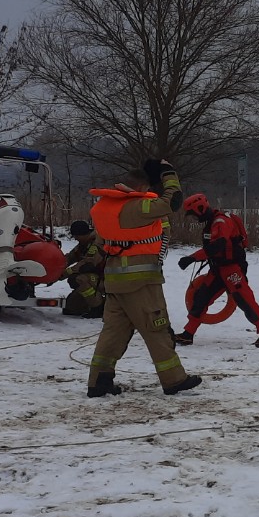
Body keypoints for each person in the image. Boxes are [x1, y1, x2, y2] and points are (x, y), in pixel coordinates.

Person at [85, 159, 201, 398]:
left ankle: (98, 381)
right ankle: (174, 379)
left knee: (113, 333)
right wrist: (168, 172)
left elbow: (101, 244)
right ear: (141, 187)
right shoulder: (139, 207)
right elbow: (172, 201)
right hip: (141, 282)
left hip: (115, 281)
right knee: (156, 328)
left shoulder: (104, 207)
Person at [173, 194, 259, 348]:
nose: (194, 219)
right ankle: (188, 334)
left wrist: (192, 258)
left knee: (245, 300)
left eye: (193, 215)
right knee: (201, 298)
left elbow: (218, 246)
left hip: (232, 269)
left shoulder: (221, 222)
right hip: (218, 269)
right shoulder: (213, 222)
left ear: (200, 209)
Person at [61, 219, 105, 318]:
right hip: (95, 279)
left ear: (84, 234)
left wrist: (62, 274)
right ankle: (92, 303)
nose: (75, 238)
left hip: (105, 280)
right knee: (71, 307)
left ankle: (98, 307)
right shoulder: (83, 244)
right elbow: (69, 258)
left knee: (78, 279)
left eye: (77, 236)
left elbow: (85, 264)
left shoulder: (97, 244)